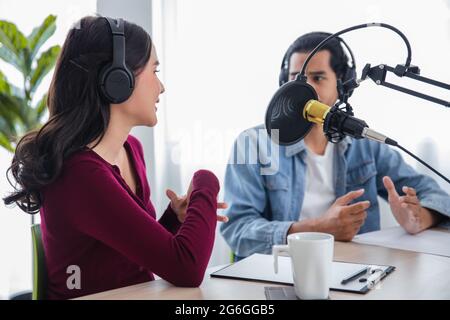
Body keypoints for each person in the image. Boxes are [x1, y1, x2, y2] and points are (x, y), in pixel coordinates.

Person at [3, 16, 227, 299]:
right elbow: (187, 269)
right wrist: (205, 180)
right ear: (117, 79)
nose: (161, 87)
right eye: (154, 71)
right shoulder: (80, 175)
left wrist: (173, 219)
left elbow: (125, 255)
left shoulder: (130, 149)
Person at [220, 32, 450, 261]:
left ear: (342, 86)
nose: (305, 90)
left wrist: (419, 217)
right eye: (296, 79)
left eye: (318, 78)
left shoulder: (365, 145)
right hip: (279, 271)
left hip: (355, 273)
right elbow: (237, 229)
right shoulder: (251, 143)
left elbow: (435, 194)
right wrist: (317, 229)